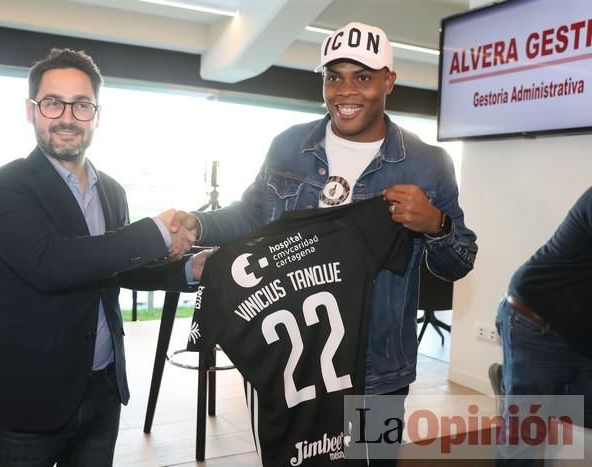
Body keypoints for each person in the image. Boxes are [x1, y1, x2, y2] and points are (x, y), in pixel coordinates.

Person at [173, 21, 477, 464]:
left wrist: (436, 224)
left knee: (375, 460)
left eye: (363, 77)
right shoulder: (288, 147)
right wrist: (198, 225)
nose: (345, 92)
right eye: (334, 77)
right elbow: (251, 216)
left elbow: (460, 260)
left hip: (379, 372)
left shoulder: (428, 164)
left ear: (389, 81)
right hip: (292, 365)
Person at [0, 48, 201, 466]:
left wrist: (188, 266)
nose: (67, 117)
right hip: (27, 395)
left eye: (82, 105)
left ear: (97, 114)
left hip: (102, 389)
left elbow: (118, 269)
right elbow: (50, 264)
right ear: (31, 111)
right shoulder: (5, 187)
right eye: (53, 102)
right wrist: (153, 231)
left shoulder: (112, 189)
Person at [494, 187, 592, 466]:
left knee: (584, 417)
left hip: (582, 330)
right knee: (524, 434)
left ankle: (515, 386)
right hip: (536, 323)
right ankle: (520, 391)